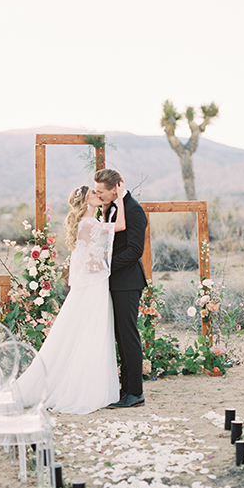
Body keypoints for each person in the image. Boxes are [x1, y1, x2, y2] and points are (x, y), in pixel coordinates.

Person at [16, 183, 126, 414]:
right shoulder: (89, 224)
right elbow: (121, 226)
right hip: (94, 284)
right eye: (94, 194)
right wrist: (122, 197)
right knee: (91, 331)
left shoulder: (88, 223)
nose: (98, 195)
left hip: (90, 283)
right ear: (87, 201)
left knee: (83, 330)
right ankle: (83, 389)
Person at [94, 168, 148, 408]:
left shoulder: (134, 211)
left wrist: (106, 266)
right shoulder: (112, 208)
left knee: (128, 336)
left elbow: (135, 250)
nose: (98, 195)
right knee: (120, 336)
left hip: (127, 282)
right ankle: (125, 389)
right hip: (115, 282)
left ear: (115, 188)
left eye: (101, 192)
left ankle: (135, 393)